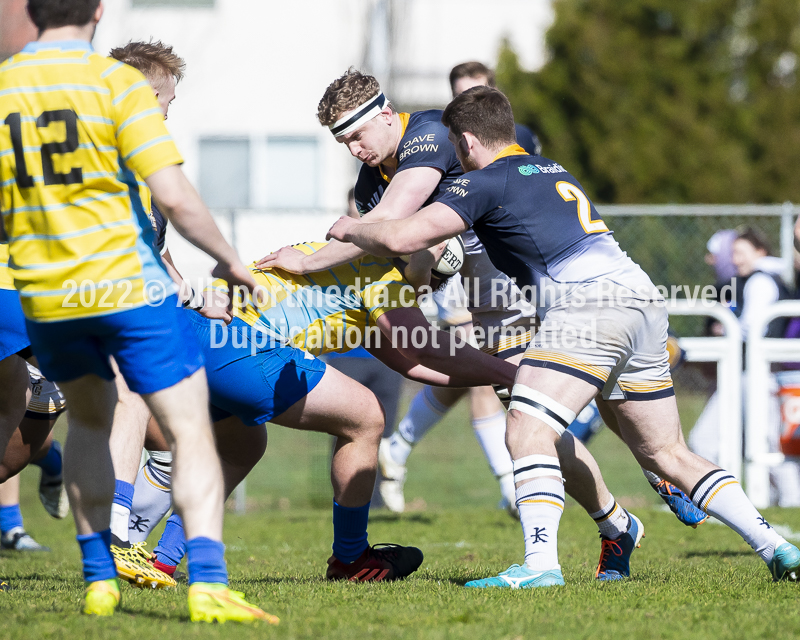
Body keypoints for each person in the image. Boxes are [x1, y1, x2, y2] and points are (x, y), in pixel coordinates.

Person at [328, 85, 800, 587]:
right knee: (669, 453)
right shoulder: (550, 168)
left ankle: (540, 567)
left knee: (527, 429)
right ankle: (777, 547)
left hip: (584, 307)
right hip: (638, 298)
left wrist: (347, 232)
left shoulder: (483, 181)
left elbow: (402, 236)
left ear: (465, 141)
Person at [258, 69, 659, 583]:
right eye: (343, 141)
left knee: (555, 406)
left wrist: (309, 261)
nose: (354, 148)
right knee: (534, 414)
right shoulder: (367, 182)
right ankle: (616, 520)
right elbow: (405, 264)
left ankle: (651, 479)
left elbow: (394, 224)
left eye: (358, 134)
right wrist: (423, 270)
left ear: (385, 115)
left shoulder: (426, 132)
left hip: (519, 279)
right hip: (485, 295)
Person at [0, 0, 274, 622]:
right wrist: (230, 260)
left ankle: (100, 577)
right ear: (98, 11)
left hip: (50, 292)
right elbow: (173, 194)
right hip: (125, 287)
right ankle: (206, 582)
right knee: (190, 430)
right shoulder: (117, 84)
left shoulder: (7, 85)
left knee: (91, 428)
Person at [127, 242, 519, 582]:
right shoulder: (385, 272)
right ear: (416, 257)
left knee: (241, 447)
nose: (432, 288)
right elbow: (425, 348)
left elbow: (411, 364)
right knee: (366, 416)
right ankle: (351, 558)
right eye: (435, 277)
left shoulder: (353, 265)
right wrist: (511, 372)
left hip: (197, 334)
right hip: (242, 342)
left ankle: (162, 561)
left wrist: (489, 376)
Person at [102, 39, 226, 590]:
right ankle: (114, 532)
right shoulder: (106, 149)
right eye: (167, 104)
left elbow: (157, 248)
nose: (169, 116)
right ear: (143, 95)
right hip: (64, 300)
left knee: (19, 448)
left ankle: (127, 538)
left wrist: (191, 293)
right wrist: (231, 264)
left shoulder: (139, 155)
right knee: (132, 393)